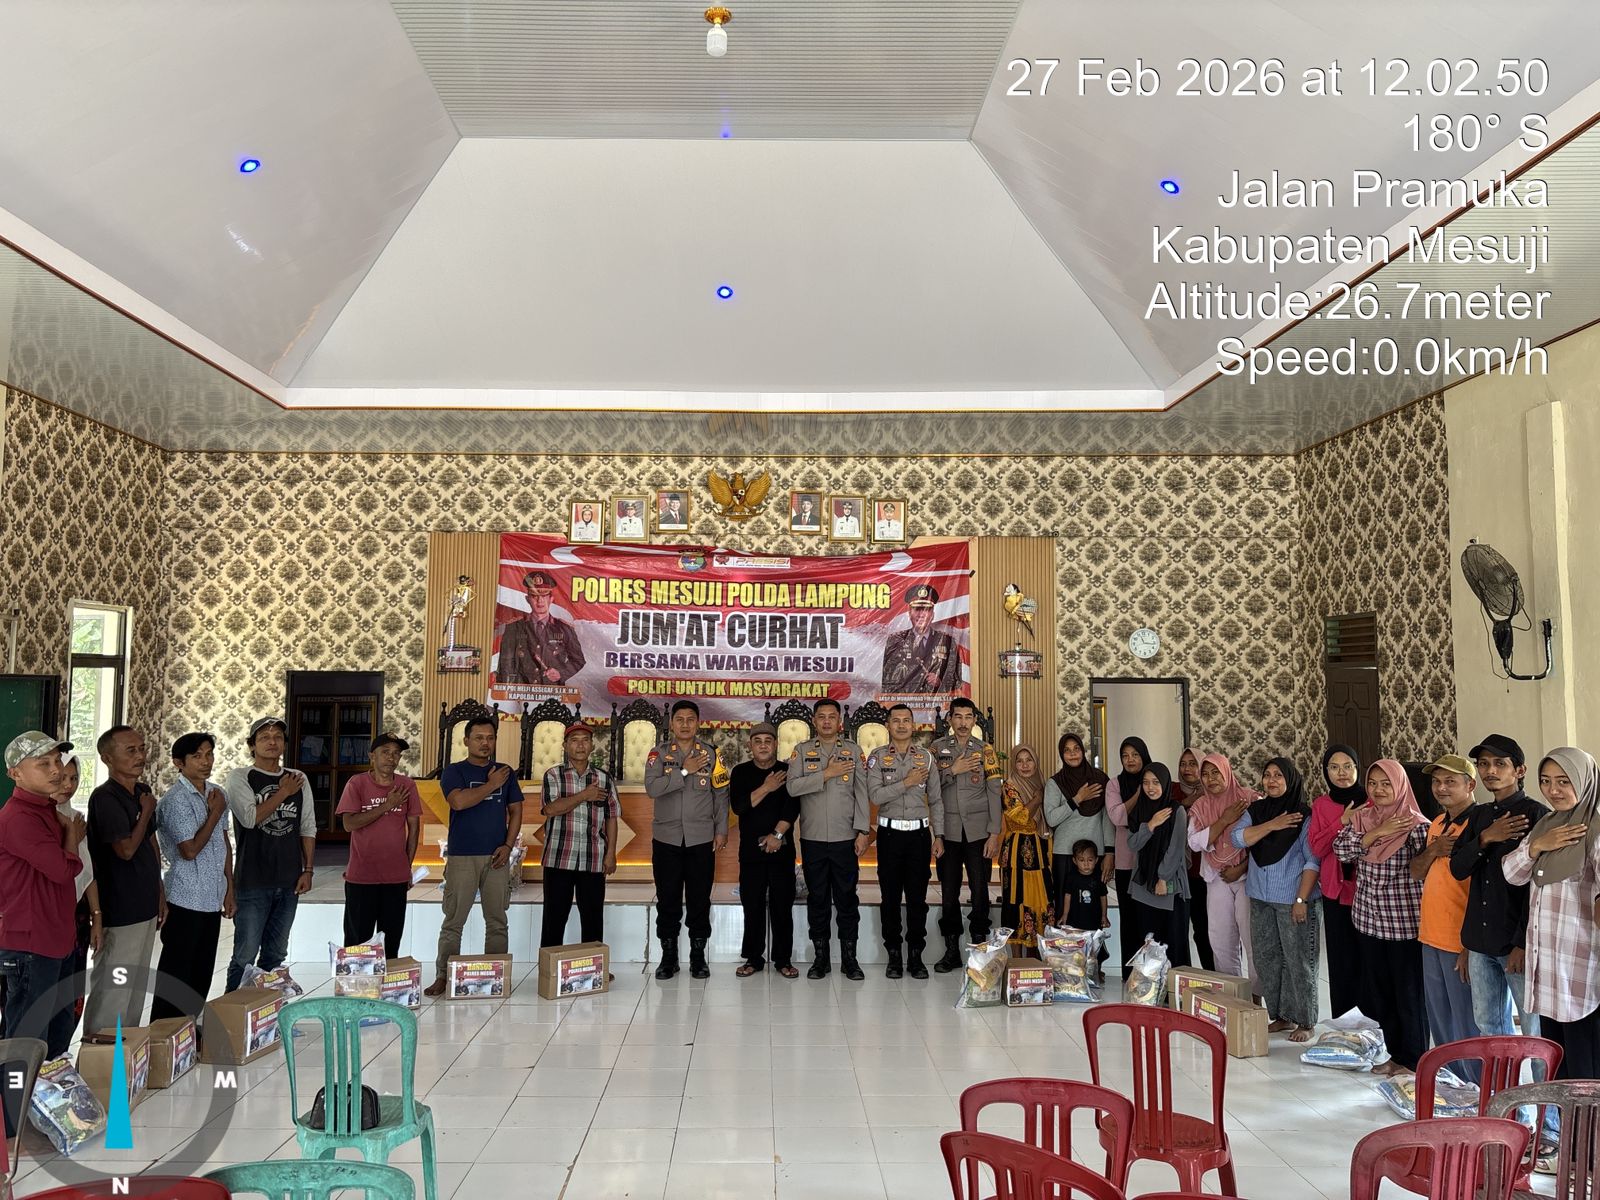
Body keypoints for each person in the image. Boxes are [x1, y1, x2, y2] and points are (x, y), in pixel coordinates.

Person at [1503, 747, 1600, 1080]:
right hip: (1547, 973)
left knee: (1586, 1075)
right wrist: (1536, 847)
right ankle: (1560, 1117)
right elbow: (1512, 874)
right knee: (1556, 1068)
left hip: (1582, 974)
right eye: (1545, 781)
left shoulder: (1596, 829)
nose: (1553, 790)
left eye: (1563, 781)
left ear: (1584, 781)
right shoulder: (1545, 825)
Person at [1449, 734, 1549, 1045]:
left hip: (1516, 943)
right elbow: (1458, 868)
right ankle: (1499, 1079)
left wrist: (1522, 943)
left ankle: (1539, 1082)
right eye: (1483, 764)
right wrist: (1485, 838)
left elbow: (1540, 888)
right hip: (1480, 943)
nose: (1490, 771)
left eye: (1499, 764)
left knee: (1534, 1031)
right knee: (1488, 1026)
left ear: (1520, 770)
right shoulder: (1479, 816)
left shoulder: (1537, 816)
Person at [1334, 759, 1430, 1076]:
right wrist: (1378, 832)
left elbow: (1427, 868)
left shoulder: (1416, 825)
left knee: (1408, 994)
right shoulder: (1363, 817)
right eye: (1373, 783)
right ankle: (1395, 1054)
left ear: (1400, 785)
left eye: (1386, 783)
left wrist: (1377, 835)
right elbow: (1341, 849)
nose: (1378, 790)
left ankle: (1414, 1058)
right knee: (1381, 992)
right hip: (1368, 920)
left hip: (1403, 923)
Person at [0, 733, 84, 1059]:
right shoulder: (19, 818)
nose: (56, 770)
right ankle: (18, 1094)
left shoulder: (47, 809)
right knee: (27, 1039)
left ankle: (49, 1089)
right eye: (43, 763)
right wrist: (72, 835)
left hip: (58, 937)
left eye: (57, 760)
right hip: (31, 944)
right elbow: (63, 870)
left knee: (57, 1034)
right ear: (15, 773)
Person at [426, 715, 522, 996]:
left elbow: (516, 810)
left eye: (490, 738)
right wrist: (491, 785)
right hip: (462, 856)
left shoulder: (505, 771)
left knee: (497, 921)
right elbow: (458, 802)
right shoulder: (454, 771)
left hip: (497, 857)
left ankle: (495, 976)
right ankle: (443, 976)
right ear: (466, 740)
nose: (485, 743)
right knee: (453, 921)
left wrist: (508, 845)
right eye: (479, 738)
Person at [225, 717, 316, 992]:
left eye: (278, 737)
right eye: (264, 737)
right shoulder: (240, 776)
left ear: (285, 744)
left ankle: (267, 1012)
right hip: (253, 880)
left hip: (288, 880)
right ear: (252, 745)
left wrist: (308, 869)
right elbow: (250, 818)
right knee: (244, 955)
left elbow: (307, 825)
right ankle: (232, 1011)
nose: (272, 742)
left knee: (275, 955)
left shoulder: (298, 778)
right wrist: (283, 792)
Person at [1231, 758, 1320, 1041]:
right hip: (1259, 896)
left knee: (1298, 960)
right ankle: (1281, 1016)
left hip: (1292, 899)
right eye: (1267, 775)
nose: (1271, 780)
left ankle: (1305, 1021)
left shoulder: (1304, 816)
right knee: (1267, 958)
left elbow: (1313, 861)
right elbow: (1237, 838)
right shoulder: (1257, 811)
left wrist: (1301, 900)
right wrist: (1273, 824)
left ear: (1290, 780)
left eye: (1278, 775)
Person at [85, 725, 165, 1036]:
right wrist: (145, 811)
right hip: (120, 907)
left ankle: (126, 1052)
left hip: (144, 902)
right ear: (107, 758)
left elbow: (151, 843)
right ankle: (100, 1054)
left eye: (142, 748)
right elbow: (126, 850)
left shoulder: (141, 791)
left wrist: (159, 891)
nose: (140, 756)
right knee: (114, 989)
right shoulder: (105, 797)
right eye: (130, 750)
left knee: (134, 987)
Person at [151, 732, 235, 1022]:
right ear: (179, 762)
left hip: (212, 896)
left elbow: (223, 843)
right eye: (197, 756)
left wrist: (230, 886)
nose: (206, 761)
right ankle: (163, 1034)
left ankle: (187, 1032)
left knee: (201, 973)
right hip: (185, 897)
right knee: (177, 976)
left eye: (209, 754)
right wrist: (215, 813)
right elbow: (189, 850)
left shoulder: (216, 792)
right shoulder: (176, 800)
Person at [786, 698, 871, 981]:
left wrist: (863, 831)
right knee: (818, 898)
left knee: (847, 899)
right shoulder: (801, 751)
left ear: (839, 722)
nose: (826, 721)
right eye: (821, 717)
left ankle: (850, 959)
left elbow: (862, 794)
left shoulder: (853, 751)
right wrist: (826, 774)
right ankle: (820, 958)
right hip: (812, 839)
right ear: (813, 721)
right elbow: (792, 787)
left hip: (845, 838)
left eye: (831, 717)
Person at [646, 700, 729, 980]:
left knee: (699, 898)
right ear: (671, 724)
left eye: (690, 719)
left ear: (698, 723)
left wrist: (721, 830)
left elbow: (721, 794)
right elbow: (652, 788)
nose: (684, 724)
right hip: (666, 838)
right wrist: (684, 770)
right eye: (679, 719)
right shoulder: (658, 754)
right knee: (667, 898)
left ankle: (697, 957)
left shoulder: (712, 754)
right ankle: (668, 958)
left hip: (701, 839)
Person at [1412, 755, 1481, 1075]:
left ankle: (1478, 1089)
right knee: (1440, 1019)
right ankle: (1450, 1086)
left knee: (1468, 1022)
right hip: (1431, 935)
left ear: (1471, 785)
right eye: (1437, 782)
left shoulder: (1478, 825)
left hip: (1461, 940)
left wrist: (1470, 945)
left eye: (1450, 781)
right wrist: (1434, 850)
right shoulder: (1437, 824)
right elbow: (1416, 872)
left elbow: (1483, 891)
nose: (1441, 788)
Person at [866, 705, 944, 978]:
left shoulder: (926, 758)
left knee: (917, 898)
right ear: (888, 725)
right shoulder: (877, 757)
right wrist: (907, 782)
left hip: (919, 837)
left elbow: (936, 800)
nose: (901, 725)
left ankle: (915, 955)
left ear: (914, 726)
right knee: (889, 898)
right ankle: (894, 955)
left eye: (906, 721)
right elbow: (875, 796)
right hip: (889, 836)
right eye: (896, 721)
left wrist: (939, 836)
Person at [931, 698, 1002, 972]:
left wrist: (994, 833)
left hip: (978, 832)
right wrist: (952, 770)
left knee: (980, 891)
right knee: (948, 893)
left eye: (968, 717)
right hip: (947, 831)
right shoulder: (937, 749)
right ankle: (951, 951)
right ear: (950, 719)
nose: (963, 722)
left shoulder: (985, 750)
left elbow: (994, 792)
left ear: (974, 720)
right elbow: (928, 787)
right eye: (958, 716)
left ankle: (979, 950)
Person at [337, 732, 422, 958]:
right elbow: (349, 824)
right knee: (357, 944)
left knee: (391, 943)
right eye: (385, 752)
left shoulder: (407, 785)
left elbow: (414, 829)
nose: (391, 758)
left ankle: (387, 981)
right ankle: (357, 981)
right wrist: (387, 805)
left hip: (395, 878)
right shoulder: (357, 784)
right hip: (361, 877)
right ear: (372, 756)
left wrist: (406, 866)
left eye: (396, 754)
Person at [539, 724, 619, 948]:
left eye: (585, 740)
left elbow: (612, 817)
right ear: (565, 746)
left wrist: (611, 853)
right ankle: (550, 965)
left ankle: (593, 965)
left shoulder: (604, 778)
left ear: (592, 746)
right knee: (554, 920)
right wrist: (584, 795)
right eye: (574, 740)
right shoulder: (553, 775)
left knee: (593, 921)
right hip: (558, 858)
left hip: (593, 858)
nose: (580, 745)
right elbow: (550, 809)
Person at [1187, 752, 1260, 995]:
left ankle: (1256, 998)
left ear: (1227, 771)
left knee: (1252, 939)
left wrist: (1242, 867)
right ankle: (1232, 996)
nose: (1211, 779)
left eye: (1216, 772)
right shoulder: (1201, 806)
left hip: (1249, 877)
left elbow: (1263, 841)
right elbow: (1194, 842)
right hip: (1216, 877)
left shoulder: (1249, 799)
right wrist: (1224, 820)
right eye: (1205, 774)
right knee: (1220, 939)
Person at [731, 722, 799, 978]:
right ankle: (753, 958)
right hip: (751, 851)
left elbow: (792, 808)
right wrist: (767, 787)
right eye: (757, 741)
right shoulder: (740, 772)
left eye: (767, 741)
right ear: (750, 745)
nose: (762, 745)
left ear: (775, 744)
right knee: (752, 906)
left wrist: (777, 835)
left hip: (782, 848)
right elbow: (739, 807)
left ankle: (783, 959)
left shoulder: (788, 771)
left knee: (782, 906)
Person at [1307, 744, 1366, 1019]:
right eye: (1334, 767)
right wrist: (1341, 821)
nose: (1341, 773)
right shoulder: (1322, 805)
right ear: (1326, 772)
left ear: (1357, 768)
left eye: (1347, 766)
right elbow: (1318, 848)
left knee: (1367, 961)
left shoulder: (1373, 800)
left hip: (1368, 893)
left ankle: (1372, 1023)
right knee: (1341, 962)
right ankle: (1344, 1025)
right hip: (1335, 892)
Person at [50, 755, 102, 1039]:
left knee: (71, 992)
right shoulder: (36, 821)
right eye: (61, 779)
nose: (68, 785)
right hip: (47, 916)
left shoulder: (76, 818)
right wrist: (70, 835)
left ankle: (60, 1055)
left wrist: (97, 917)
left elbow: (87, 871)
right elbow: (58, 871)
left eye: (74, 778)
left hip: (76, 916)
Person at [1126, 761, 1191, 973]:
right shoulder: (1139, 810)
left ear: (1165, 783)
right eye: (1145, 783)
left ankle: (1174, 988)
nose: (1150, 787)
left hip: (1168, 886)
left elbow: (1176, 849)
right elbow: (1133, 843)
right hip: (1143, 885)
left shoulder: (1176, 811)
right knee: (1147, 942)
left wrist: (1162, 878)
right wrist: (1151, 825)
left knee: (1173, 943)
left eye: (1155, 782)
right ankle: (1149, 988)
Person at [1043, 733, 1112, 924]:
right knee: (1065, 910)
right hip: (1065, 855)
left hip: (1094, 855)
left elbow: (1107, 819)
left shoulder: (1100, 779)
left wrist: (1109, 852)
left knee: (1093, 908)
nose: (1072, 754)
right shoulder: (1055, 783)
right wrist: (1077, 799)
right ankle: (1063, 945)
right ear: (1061, 754)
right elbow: (1051, 818)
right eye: (1067, 750)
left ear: (1083, 750)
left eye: (1076, 749)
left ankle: (1092, 944)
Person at [997, 744, 1052, 953]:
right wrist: (1037, 799)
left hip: (1041, 848)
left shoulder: (1043, 784)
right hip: (1016, 851)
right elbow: (1020, 817)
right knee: (1016, 899)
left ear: (1036, 763)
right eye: (1019, 761)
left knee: (1041, 899)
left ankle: (1037, 956)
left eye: (1029, 760)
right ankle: (1016, 960)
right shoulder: (1009, 787)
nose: (1025, 765)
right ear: (1014, 764)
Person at [1104, 737, 1153, 968]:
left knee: (1150, 918)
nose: (1130, 760)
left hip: (1152, 860)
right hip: (1126, 861)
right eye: (1125, 755)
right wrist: (1138, 794)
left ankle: (1152, 973)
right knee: (1130, 920)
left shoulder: (1154, 779)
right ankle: (1130, 975)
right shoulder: (1115, 784)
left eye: (1135, 754)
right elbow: (1117, 817)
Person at [497, 569, 586, 685]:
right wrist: (506, 690)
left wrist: (561, 673)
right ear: (527, 599)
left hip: (552, 691)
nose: (540, 601)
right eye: (534, 596)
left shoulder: (564, 629)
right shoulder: (514, 628)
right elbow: (505, 664)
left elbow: (578, 660)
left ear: (551, 599)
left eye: (544, 596)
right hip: (522, 691)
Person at [1172, 748, 1214, 971]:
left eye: (1193, 764)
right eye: (1183, 763)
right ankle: (1180, 976)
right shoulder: (1172, 790)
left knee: (1204, 929)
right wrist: (1188, 801)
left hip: (1204, 871)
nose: (1187, 768)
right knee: (1177, 930)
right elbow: (1166, 814)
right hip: (1177, 872)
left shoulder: (1213, 793)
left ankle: (1213, 975)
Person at [879, 584, 961, 694]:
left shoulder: (947, 642)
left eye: (926, 610)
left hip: (935, 703)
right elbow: (887, 682)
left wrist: (940, 682)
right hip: (903, 702)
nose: (921, 615)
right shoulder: (895, 640)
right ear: (909, 613)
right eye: (917, 609)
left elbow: (957, 681)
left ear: (932, 614)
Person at [1062, 840, 1111, 947]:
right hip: (1075, 920)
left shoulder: (1099, 877)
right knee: (1077, 947)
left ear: (1096, 860)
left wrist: (1104, 916)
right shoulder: (1072, 877)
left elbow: (1103, 897)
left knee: (1093, 948)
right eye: (1081, 860)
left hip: (1094, 920)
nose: (1086, 864)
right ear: (1075, 861)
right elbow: (1067, 896)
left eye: (1090, 860)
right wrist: (1065, 915)